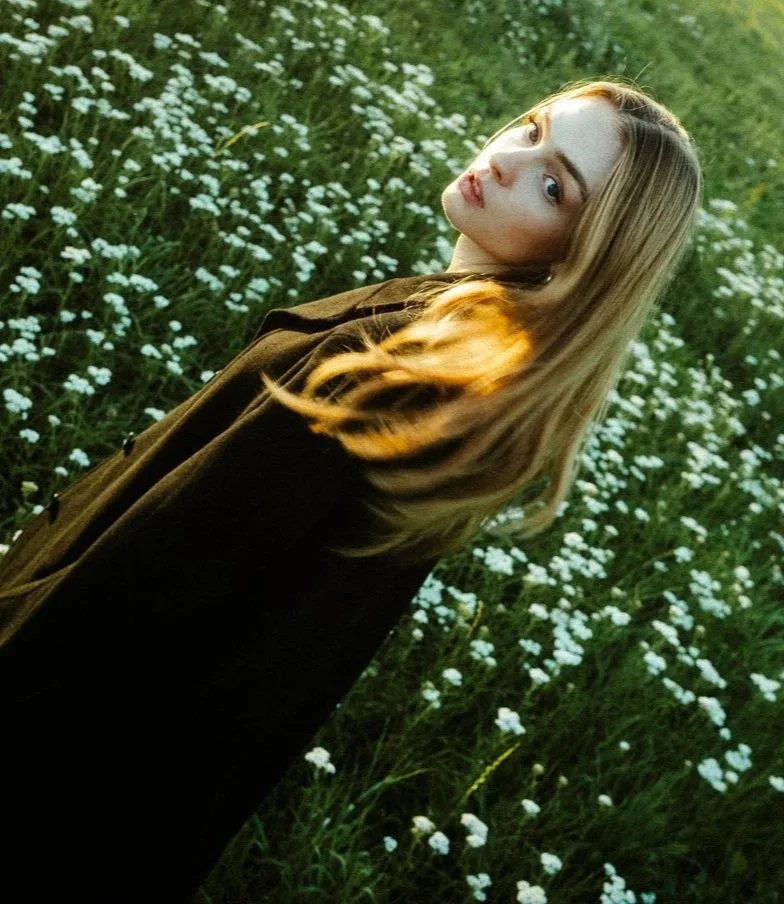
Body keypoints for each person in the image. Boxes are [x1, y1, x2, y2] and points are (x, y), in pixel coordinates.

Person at [0, 78, 701, 901]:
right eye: (530, 129)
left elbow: (141, 581)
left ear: (582, 257)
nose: (507, 161)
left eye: (554, 186)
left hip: (59, 741)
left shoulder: (397, 372)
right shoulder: (470, 366)